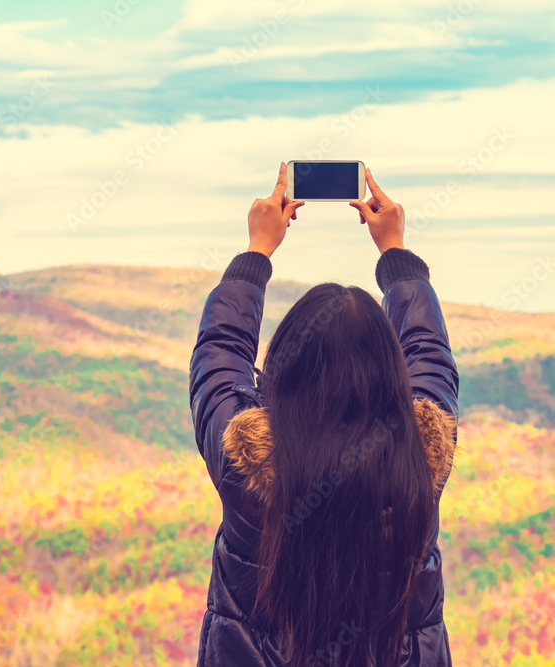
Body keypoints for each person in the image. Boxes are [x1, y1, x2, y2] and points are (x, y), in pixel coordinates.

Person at [189, 163, 459, 667]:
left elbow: (219, 356)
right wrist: (395, 255)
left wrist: (257, 252)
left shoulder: (244, 467)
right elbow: (429, 352)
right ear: (391, 377)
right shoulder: (421, 462)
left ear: (284, 373)